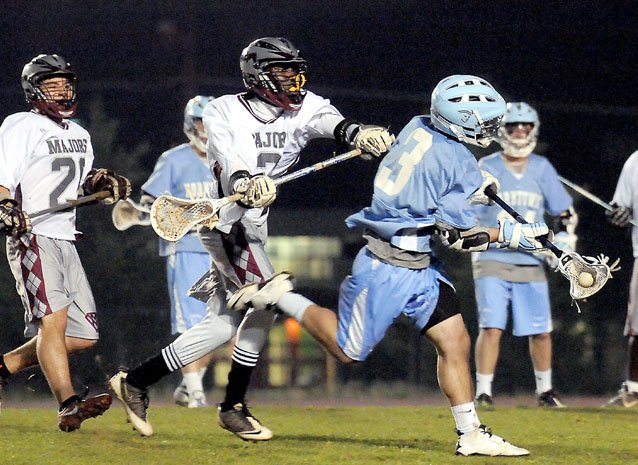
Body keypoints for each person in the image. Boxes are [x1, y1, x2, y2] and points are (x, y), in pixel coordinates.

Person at [227, 75, 537, 456]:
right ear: (462, 120)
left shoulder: (419, 125)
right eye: (485, 120)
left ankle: (470, 433)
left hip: (417, 261)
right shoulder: (456, 159)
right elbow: (460, 238)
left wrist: (469, 189)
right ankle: (282, 296)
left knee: (455, 341)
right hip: (389, 265)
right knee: (348, 350)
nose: (491, 129)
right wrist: (511, 234)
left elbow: (427, 191)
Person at [109, 36, 395, 438]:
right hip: (226, 220)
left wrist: (358, 133)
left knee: (223, 326)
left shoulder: (304, 104)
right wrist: (245, 181)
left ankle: (136, 381)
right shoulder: (224, 110)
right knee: (268, 297)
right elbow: (225, 159)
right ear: (258, 75)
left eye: (296, 71)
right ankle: (233, 406)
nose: (294, 80)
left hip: (255, 223)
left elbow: (330, 122)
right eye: (284, 72)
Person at [0, 54, 130, 431]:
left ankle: (0, 366)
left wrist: (102, 183)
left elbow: (79, 182)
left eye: (65, 84)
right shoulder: (21, 125)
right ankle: (68, 403)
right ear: (34, 90)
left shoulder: (79, 133)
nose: (62, 90)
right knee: (54, 325)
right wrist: (4, 206)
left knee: (83, 334)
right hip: (33, 234)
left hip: (66, 237)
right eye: (52, 85)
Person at [470, 102, 576, 409]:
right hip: (493, 256)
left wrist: (565, 244)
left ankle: (545, 391)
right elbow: (469, 212)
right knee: (491, 326)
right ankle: (483, 392)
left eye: (524, 126)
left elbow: (565, 214)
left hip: (533, 259)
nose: (519, 131)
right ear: (502, 130)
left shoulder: (542, 168)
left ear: (533, 129)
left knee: (541, 329)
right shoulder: (487, 167)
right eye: (513, 126)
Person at [117, 95, 218, 408]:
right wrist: (142, 213)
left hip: (220, 251)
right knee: (191, 325)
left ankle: (189, 387)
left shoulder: (226, 158)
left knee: (219, 325)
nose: (206, 128)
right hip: (186, 249)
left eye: (210, 122)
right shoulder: (174, 159)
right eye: (201, 122)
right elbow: (149, 202)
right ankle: (196, 393)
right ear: (190, 125)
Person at [604, 149, 638, 407]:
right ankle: (633, 391)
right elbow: (618, 207)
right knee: (637, 326)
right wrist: (617, 214)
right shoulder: (636, 160)